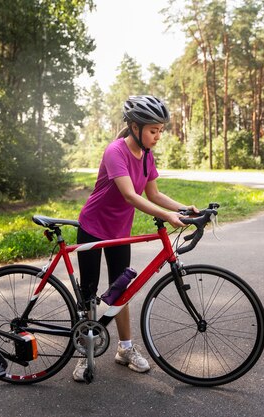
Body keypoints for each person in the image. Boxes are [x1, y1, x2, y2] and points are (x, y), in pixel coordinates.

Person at [73, 95, 197, 382]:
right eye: (154, 130)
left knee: (121, 292)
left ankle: (124, 349)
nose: (158, 136)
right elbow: (130, 194)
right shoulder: (115, 151)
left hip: (119, 232)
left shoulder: (147, 156)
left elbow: (153, 194)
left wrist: (183, 208)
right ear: (134, 126)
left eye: (160, 131)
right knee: (89, 295)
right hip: (93, 227)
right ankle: (84, 355)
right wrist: (167, 216)